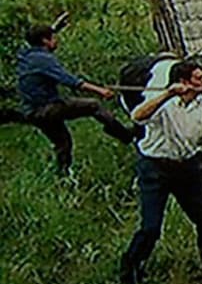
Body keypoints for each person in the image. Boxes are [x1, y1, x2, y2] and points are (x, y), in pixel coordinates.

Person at [120, 61, 202, 284]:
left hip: (187, 167)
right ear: (183, 82)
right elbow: (137, 117)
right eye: (198, 78)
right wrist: (167, 94)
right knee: (151, 228)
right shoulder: (162, 102)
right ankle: (129, 272)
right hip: (155, 168)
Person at [13, 24, 137, 174]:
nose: (57, 40)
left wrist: (54, 27)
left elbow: (37, 39)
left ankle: (62, 175)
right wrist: (100, 90)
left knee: (63, 142)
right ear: (45, 41)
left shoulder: (26, 56)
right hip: (46, 108)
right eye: (54, 38)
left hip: (31, 111)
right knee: (94, 105)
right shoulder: (43, 60)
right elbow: (71, 81)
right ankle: (125, 135)